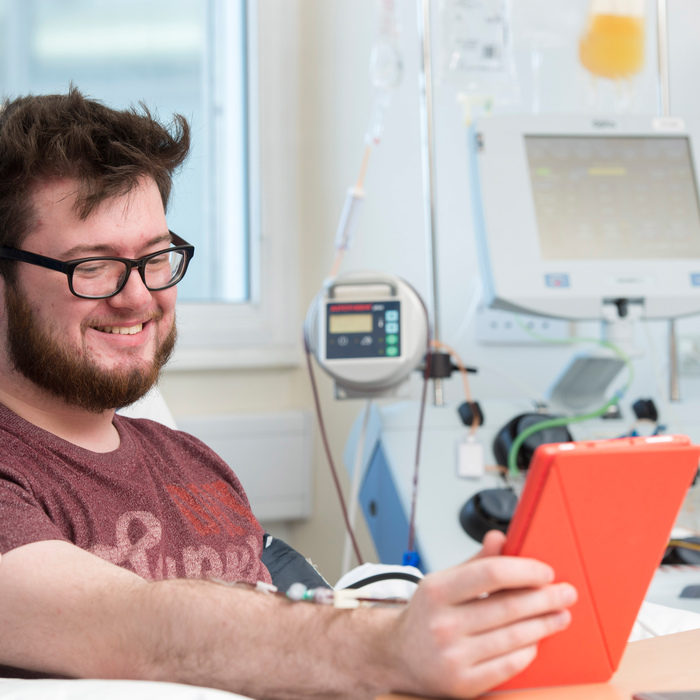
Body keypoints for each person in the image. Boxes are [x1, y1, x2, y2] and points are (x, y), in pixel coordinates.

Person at [0, 88, 576, 700]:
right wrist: (386, 646)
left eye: (156, 257)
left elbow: (285, 629)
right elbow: (131, 628)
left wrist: (452, 618)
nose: (139, 297)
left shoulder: (191, 463)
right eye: (92, 266)